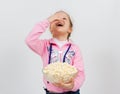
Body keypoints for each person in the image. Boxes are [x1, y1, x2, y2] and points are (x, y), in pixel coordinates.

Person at [25, 11, 85, 94]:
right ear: (50, 28)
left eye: (64, 18)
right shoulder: (45, 46)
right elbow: (29, 40)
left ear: (70, 29)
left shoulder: (75, 49)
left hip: (72, 92)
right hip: (52, 92)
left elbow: (80, 72)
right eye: (55, 19)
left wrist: (72, 85)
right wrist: (48, 20)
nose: (59, 20)